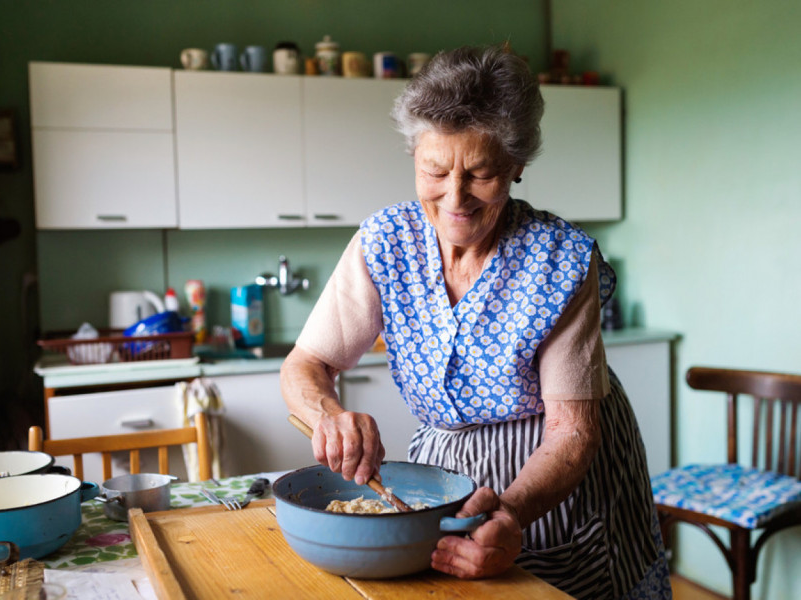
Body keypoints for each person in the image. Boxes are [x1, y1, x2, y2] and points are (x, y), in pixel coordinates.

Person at [280, 45, 671, 599]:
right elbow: (307, 364)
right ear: (414, 155)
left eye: (481, 174)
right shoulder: (383, 242)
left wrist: (510, 510)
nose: (455, 198)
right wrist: (330, 414)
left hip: (555, 483)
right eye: (435, 170)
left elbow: (571, 433)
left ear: (516, 166)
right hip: (443, 476)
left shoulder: (561, 260)